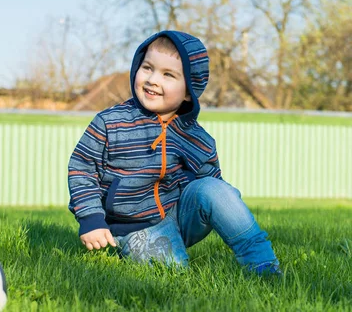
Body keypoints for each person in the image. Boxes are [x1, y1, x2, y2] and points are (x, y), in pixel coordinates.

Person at [67, 30, 281, 275]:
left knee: (214, 188)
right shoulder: (111, 122)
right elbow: (81, 169)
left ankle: (261, 263)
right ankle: (144, 252)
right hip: (133, 225)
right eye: (147, 68)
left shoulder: (196, 136)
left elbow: (212, 184)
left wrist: (226, 199)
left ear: (189, 90)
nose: (153, 80)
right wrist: (91, 219)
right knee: (174, 275)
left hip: (180, 216)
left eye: (168, 75)